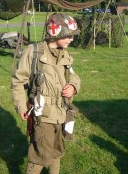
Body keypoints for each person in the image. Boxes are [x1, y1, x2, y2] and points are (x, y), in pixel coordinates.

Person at [12, 13, 81, 174]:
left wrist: (73, 86)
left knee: (57, 151)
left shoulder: (65, 54)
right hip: (42, 113)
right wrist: (21, 106)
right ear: (55, 33)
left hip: (61, 112)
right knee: (40, 154)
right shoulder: (34, 52)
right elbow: (18, 80)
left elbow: (73, 75)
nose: (71, 39)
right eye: (68, 36)